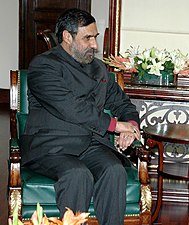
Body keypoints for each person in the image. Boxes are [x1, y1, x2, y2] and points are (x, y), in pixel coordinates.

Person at [20, 8, 140, 225]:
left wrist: (130, 126)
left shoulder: (100, 69)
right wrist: (115, 125)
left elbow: (122, 103)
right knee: (78, 174)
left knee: (114, 169)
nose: (94, 45)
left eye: (95, 37)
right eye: (88, 38)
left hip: (91, 145)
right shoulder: (43, 66)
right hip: (52, 146)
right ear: (67, 37)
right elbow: (70, 107)